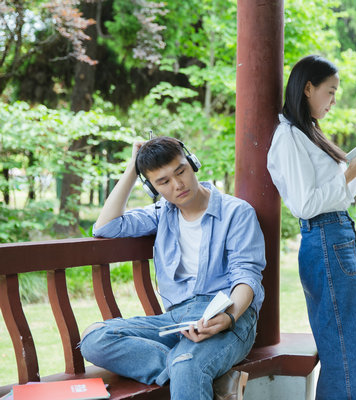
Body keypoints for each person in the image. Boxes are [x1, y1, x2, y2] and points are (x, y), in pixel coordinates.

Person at [80, 136, 265, 400]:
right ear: (152, 187)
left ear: (192, 164)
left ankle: (190, 368)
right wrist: (133, 167)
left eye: (181, 171)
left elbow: (246, 276)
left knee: (187, 363)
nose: (178, 185)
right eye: (163, 181)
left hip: (229, 314)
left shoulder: (237, 212)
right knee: (95, 339)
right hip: (178, 320)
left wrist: (229, 317)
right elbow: (105, 226)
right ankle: (206, 376)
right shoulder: (161, 214)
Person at [267, 55, 356, 399]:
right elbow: (306, 204)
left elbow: (330, 196)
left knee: (353, 350)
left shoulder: (310, 133)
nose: (334, 101)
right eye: (330, 92)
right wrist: (349, 173)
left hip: (335, 237)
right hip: (324, 237)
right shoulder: (289, 136)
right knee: (348, 355)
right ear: (308, 88)